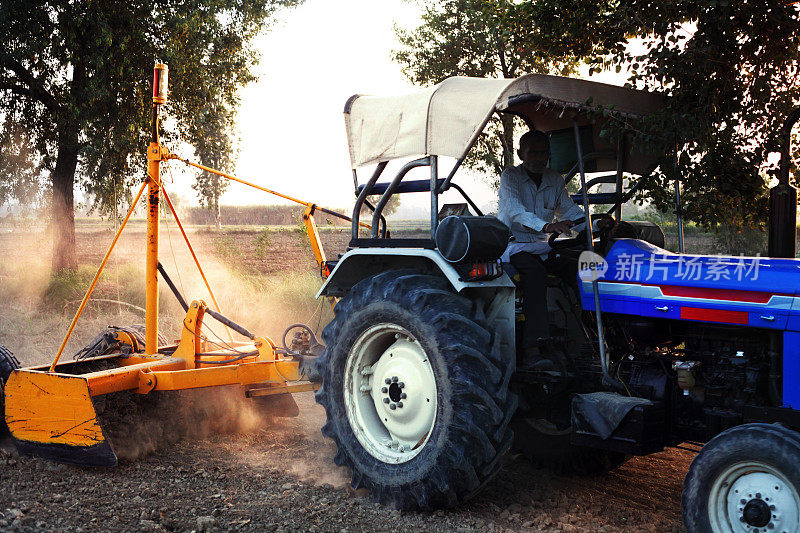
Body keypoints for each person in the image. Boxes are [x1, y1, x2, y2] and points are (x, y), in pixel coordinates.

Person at [498, 130, 588, 367]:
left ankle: (591, 337)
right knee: (535, 274)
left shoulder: (555, 179)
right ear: (520, 154)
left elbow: (570, 212)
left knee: (581, 267)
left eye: (543, 153)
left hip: (543, 245)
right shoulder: (510, 177)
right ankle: (532, 349)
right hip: (514, 246)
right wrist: (548, 225)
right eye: (533, 152)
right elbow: (515, 211)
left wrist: (596, 224)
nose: (539, 158)